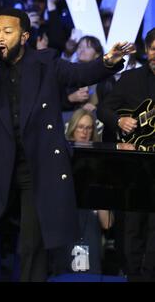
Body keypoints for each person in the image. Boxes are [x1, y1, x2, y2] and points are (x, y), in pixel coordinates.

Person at [0, 8, 133, 282]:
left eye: (8, 32)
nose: (0, 37)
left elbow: (80, 73)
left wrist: (108, 61)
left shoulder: (45, 63)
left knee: (31, 247)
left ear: (24, 36)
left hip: (36, 167)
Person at [97, 27, 155, 281]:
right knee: (131, 228)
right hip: (133, 167)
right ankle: (132, 276)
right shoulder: (131, 79)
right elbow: (103, 109)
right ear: (146, 50)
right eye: (153, 48)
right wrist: (119, 121)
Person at [51, 109, 114, 275]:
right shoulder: (60, 160)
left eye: (88, 128)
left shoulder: (101, 164)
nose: (84, 132)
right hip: (63, 225)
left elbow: (107, 223)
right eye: (80, 127)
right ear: (72, 129)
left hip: (91, 226)